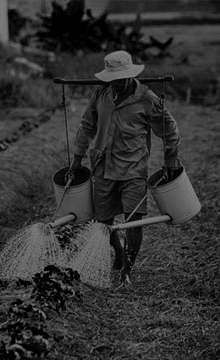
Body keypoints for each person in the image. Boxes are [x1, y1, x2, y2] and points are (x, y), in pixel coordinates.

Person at [70, 50, 182, 284]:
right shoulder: (100, 94)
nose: (117, 84)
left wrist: (170, 160)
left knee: (134, 220)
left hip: (133, 168)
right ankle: (119, 253)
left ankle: (126, 271)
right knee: (103, 222)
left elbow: (170, 130)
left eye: (121, 79)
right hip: (103, 166)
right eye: (113, 79)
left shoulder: (147, 98)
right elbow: (86, 126)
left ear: (130, 75)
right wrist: (77, 157)